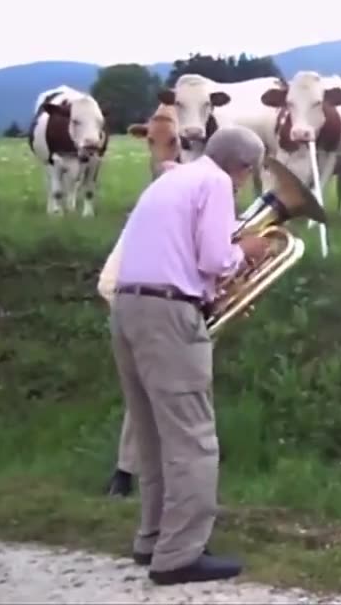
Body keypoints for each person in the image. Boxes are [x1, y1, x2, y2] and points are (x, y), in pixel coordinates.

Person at [109, 126, 270, 586]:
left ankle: (153, 538)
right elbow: (215, 260)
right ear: (241, 168)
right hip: (168, 314)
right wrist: (247, 251)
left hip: (128, 306)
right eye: (247, 176)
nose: (242, 186)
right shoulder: (217, 183)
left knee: (152, 433)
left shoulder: (171, 179)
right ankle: (179, 554)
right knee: (193, 437)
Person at [99, 159, 182, 499]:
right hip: (148, 318)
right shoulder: (144, 225)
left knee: (155, 398)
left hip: (166, 317)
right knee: (150, 397)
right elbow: (108, 280)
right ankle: (130, 474)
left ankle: (133, 476)